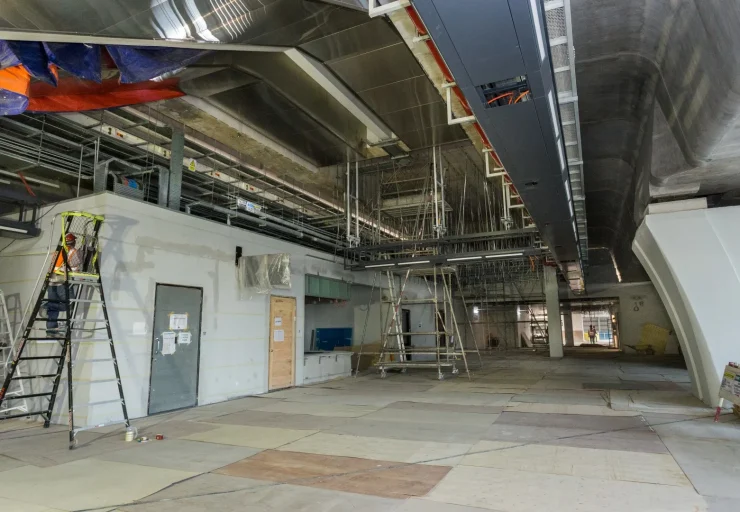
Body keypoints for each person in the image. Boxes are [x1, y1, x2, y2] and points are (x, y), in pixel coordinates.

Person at [46, 233, 82, 335]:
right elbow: (75, 268)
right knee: (70, 304)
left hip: (51, 282)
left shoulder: (58, 251)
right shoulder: (73, 252)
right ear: (73, 242)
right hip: (61, 281)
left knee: (53, 309)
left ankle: (51, 329)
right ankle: (46, 305)